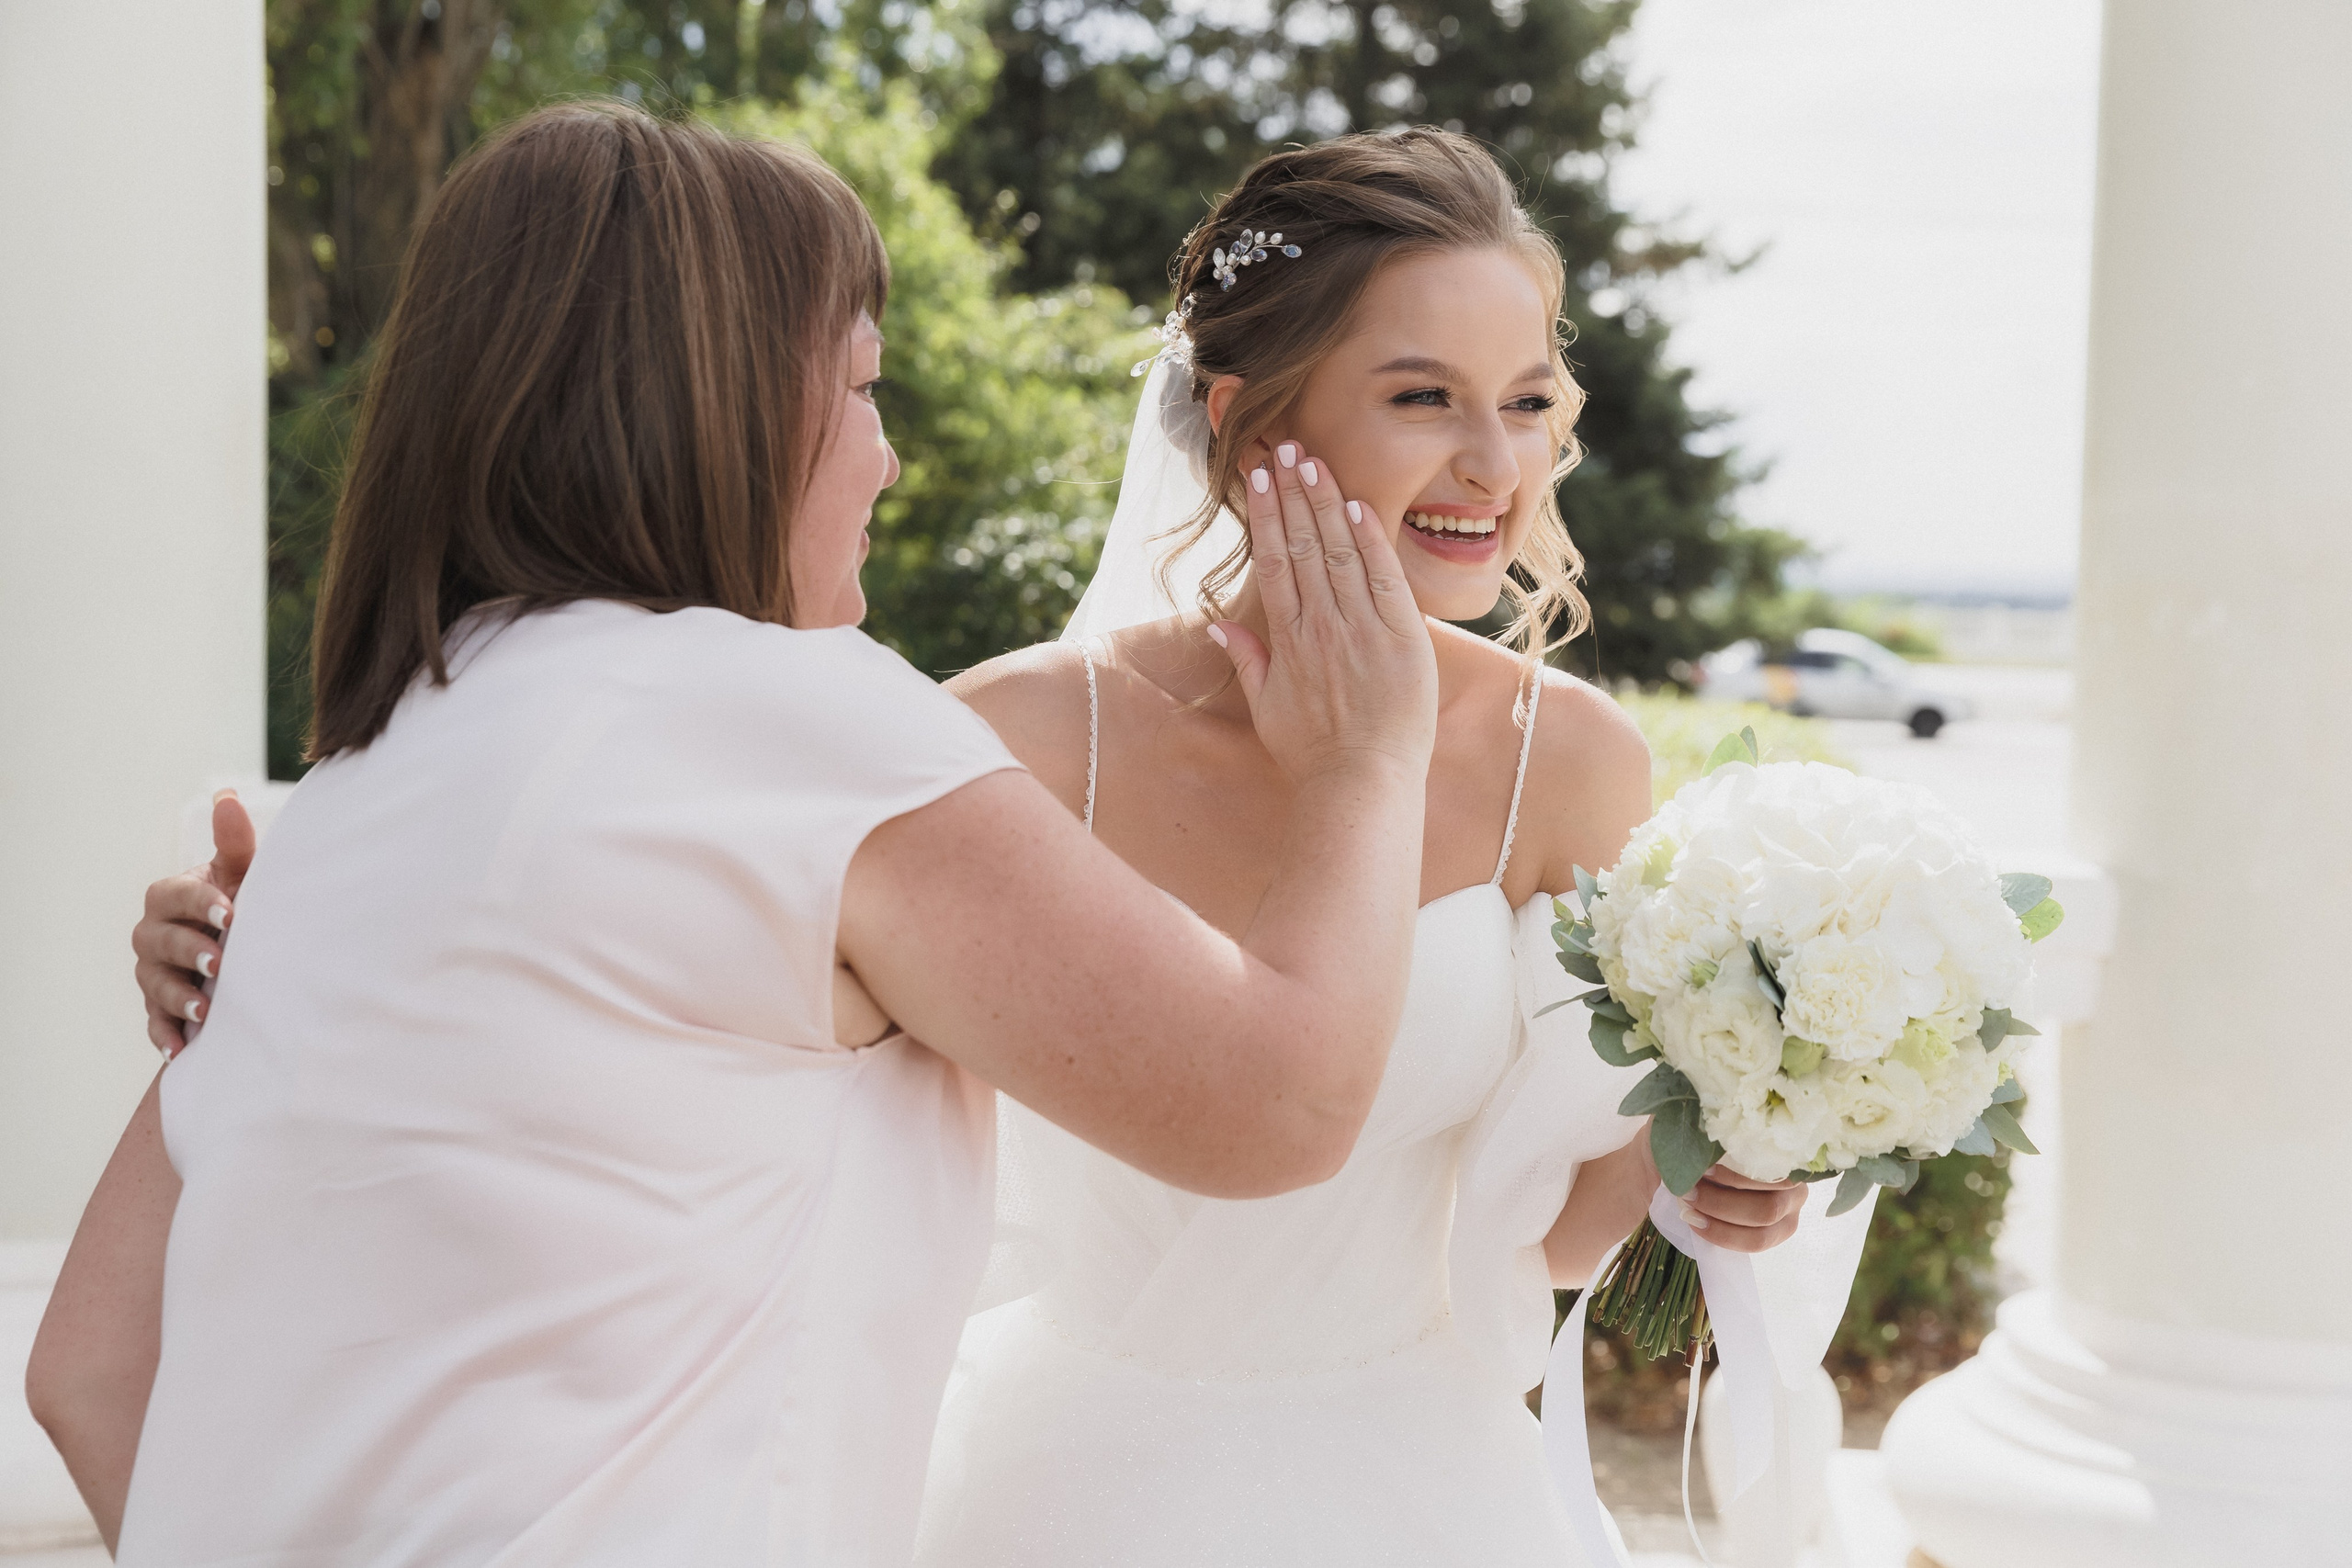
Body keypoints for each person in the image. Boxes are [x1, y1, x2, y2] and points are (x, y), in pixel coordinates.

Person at [26, 102, 1442, 1568]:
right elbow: (1277, 1107)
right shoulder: (791, 725)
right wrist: (1363, 761)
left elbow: (88, 1377)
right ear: (720, 405)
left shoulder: (344, 793)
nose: (886, 461)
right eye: (862, 392)